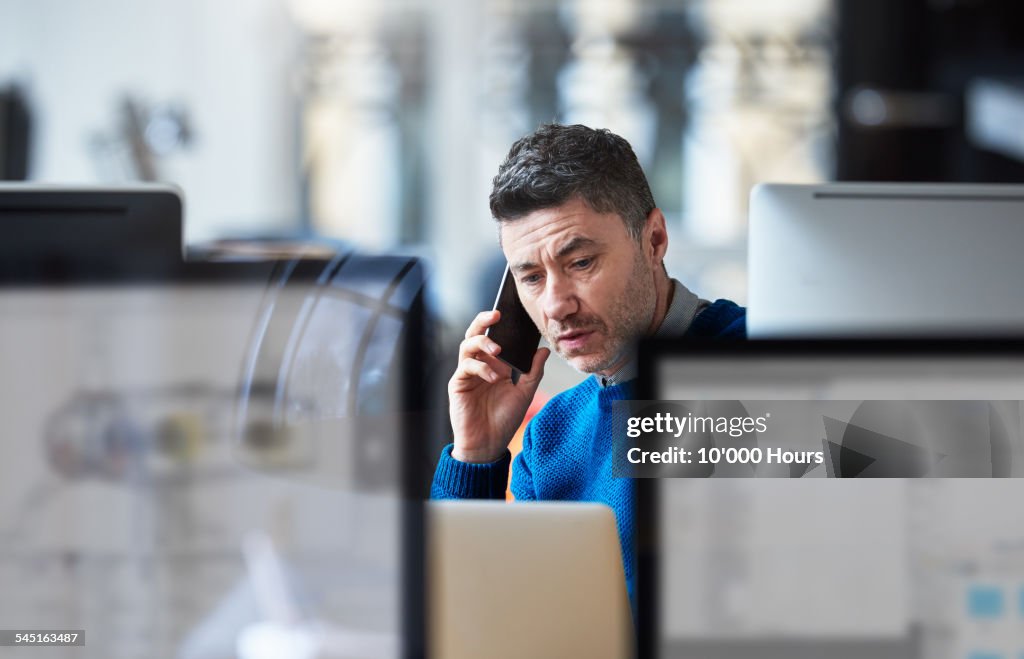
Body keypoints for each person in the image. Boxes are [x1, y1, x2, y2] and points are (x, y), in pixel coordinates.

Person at [430, 123, 746, 597]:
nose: (556, 305)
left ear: (654, 239)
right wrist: (475, 455)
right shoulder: (551, 437)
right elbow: (467, 616)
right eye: (531, 278)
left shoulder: (765, 358)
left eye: (580, 264)